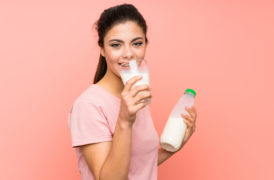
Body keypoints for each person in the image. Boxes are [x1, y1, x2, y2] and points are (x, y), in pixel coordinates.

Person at [68, 3, 197, 180]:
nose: (128, 54)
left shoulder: (136, 95)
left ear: (146, 44)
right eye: (116, 45)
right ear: (102, 50)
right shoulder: (88, 106)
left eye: (137, 43)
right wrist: (124, 120)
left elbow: (137, 166)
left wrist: (174, 146)